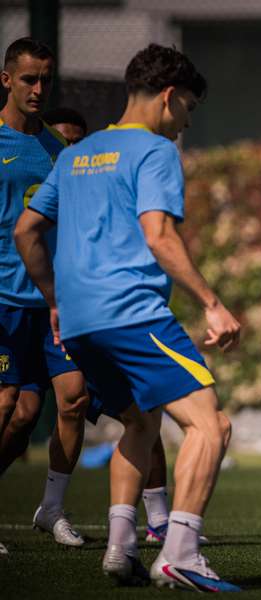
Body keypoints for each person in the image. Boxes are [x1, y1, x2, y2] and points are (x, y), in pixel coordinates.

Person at [15, 43, 240, 591]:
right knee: (212, 424)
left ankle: (120, 549)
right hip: (130, 314)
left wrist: (54, 301)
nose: (185, 122)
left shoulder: (74, 155)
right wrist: (213, 303)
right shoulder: (155, 151)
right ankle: (181, 554)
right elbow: (158, 233)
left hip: (82, 326)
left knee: (141, 422)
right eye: (187, 108)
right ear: (168, 97)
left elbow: (25, 231)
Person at [0, 37, 89, 551]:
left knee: (74, 399)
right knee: (13, 409)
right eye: (29, 79)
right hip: (4, 302)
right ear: (6, 80)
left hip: (54, 301)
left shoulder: (58, 149)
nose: (38, 89)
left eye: (45, 80)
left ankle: (51, 509)